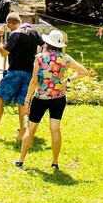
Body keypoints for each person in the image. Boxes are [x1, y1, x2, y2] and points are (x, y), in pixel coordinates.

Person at [14, 29, 89, 168]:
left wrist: (27, 100)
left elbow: (34, 81)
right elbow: (84, 72)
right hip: (59, 98)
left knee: (31, 129)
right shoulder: (65, 58)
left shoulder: (40, 58)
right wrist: (69, 79)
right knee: (55, 129)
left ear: (48, 43)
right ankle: (55, 162)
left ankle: (21, 159)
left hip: (41, 98)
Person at [0, 12, 42, 140]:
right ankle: (22, 134)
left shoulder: (15, 34)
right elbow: (43, 45)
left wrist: (1, 36)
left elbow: (3, 52)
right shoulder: (33, 32)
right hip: (30, 74)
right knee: (22, 103)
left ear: (9, 23)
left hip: (15, 72)